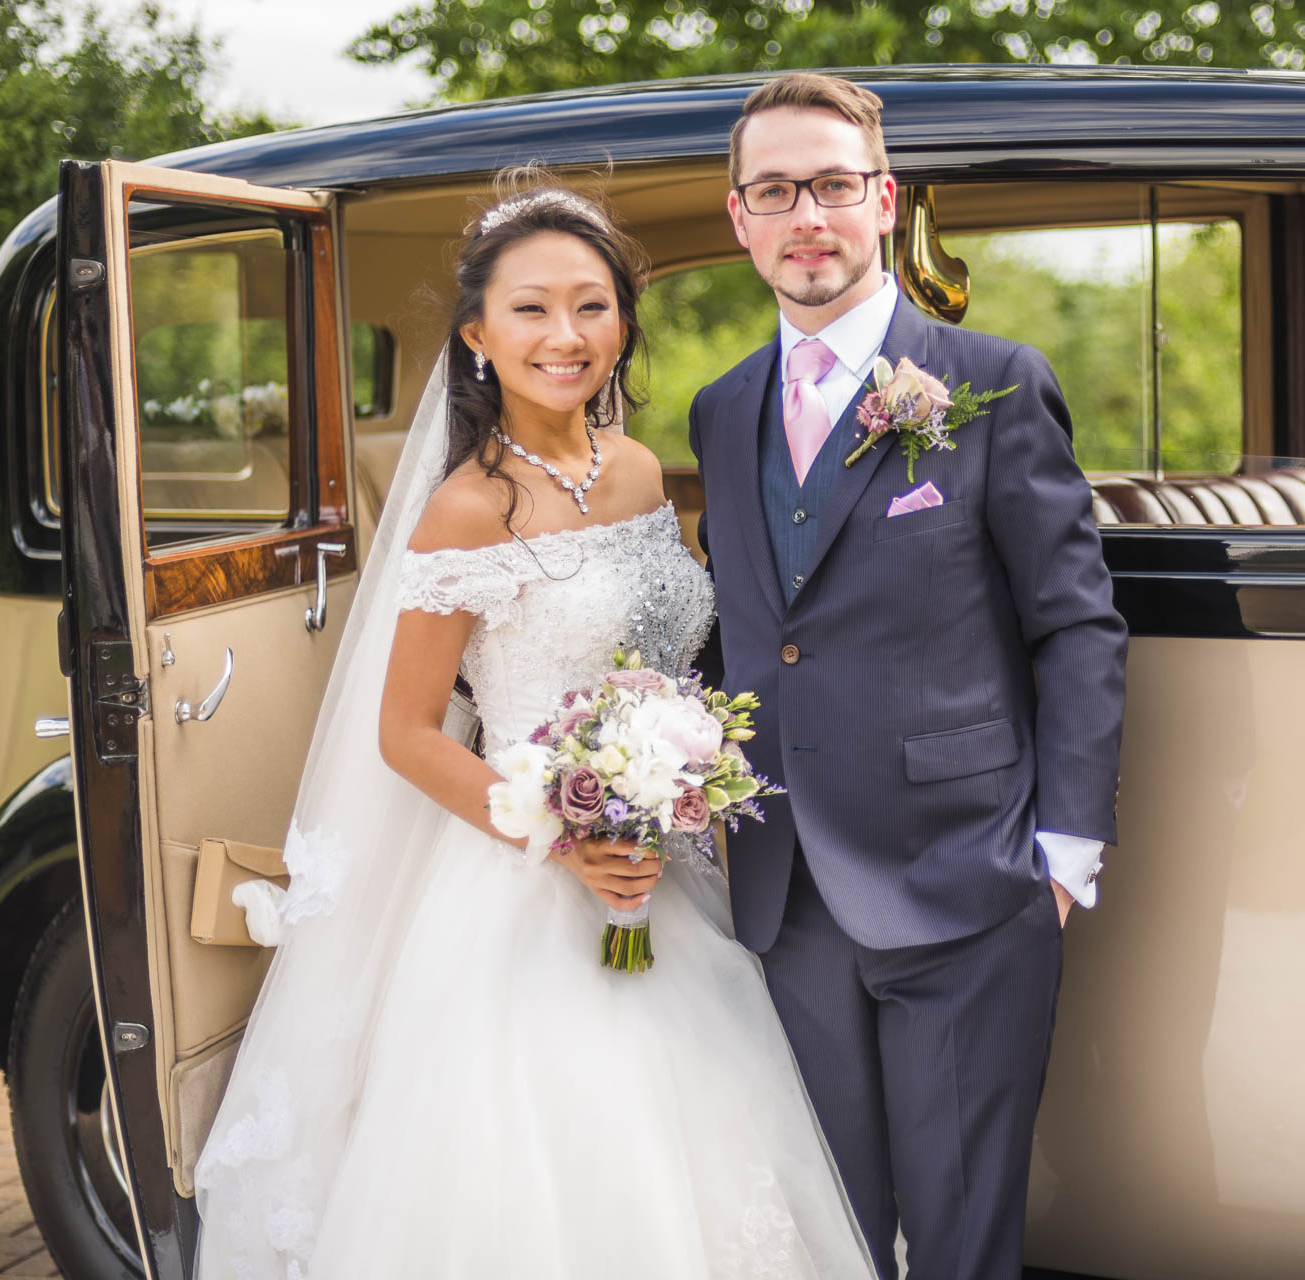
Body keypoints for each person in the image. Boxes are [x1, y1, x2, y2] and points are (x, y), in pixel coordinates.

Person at [192, 176, 877, 1279]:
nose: (566, 335)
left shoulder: (645, 472)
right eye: (532, 309)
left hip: (668, 870)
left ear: (622, 322)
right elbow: (409, 732)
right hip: (525, 882)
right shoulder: (468, 505)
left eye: (592, 306)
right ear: (478, 334)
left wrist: (673, 778)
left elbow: (672, 656)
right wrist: (565, 831)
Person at [689, 74, 1128, 1280]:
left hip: (967, 884)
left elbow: (1076, 626)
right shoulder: (719, 412)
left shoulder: (991, 382)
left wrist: (1063, 854)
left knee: (960, 1245)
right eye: (775, 191)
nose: (806, 216)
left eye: (832, 185)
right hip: (786, 898)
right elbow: (753, 634)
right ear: (740, 218)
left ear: (882, 200)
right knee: (827, 1240)